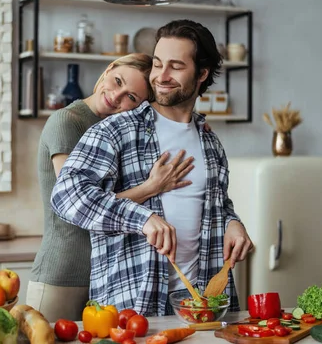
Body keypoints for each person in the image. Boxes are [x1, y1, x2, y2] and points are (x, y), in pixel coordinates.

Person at [50, 20, 254, 317]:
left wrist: (232, 223)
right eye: (158, 64)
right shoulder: (116, 131)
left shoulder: (210, 143)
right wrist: (142, 218)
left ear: (202, 74)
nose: (161, 76)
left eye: (176, 66)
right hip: (133, 309)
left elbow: (217, 206)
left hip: (201, 307)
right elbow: (67, 196)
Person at [27, 53, 199, 322]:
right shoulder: (67, 121)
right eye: (117, 81)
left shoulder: (121, 129)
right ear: (109, 69)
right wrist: (150, 187)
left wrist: (194, 125)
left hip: (106, 277)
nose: (116, 96)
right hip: (63, 273)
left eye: (131, 97)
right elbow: (75, 205)